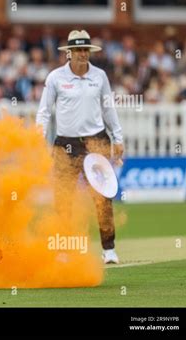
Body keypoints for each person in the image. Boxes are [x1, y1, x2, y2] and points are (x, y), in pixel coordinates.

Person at [35, 30, 124, 264]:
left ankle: (109, 249)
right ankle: (63, 249)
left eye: (86, 50)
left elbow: (108, 109)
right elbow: (44, 112)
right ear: (70, 53)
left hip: (96, 141)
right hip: (66, 143)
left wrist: (118, 137)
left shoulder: (100, 76)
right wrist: (38, 137)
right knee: (63, 199)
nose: (83, 54)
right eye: (78, 50)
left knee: (103, 197)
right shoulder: (55, 78)